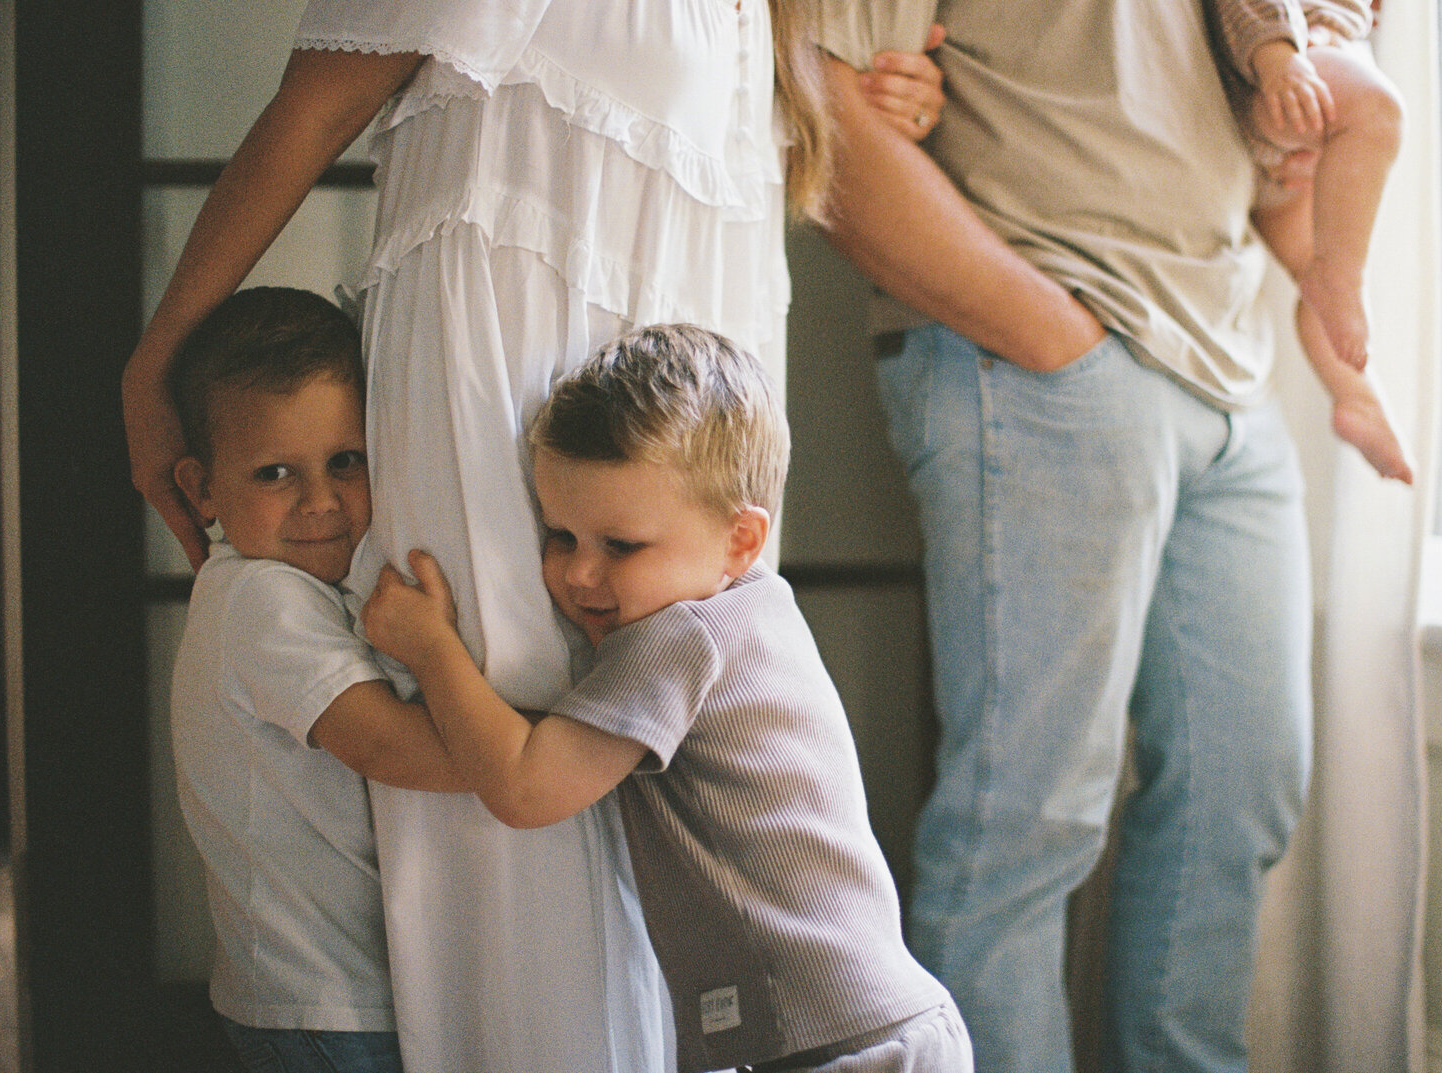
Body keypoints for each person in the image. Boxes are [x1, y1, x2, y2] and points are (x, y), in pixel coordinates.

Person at [121, 4, 949, 1069]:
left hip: (679, 379)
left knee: (641, 784)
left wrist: (883, 94)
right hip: (511, 328)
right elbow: (321, 96)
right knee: (529, 865)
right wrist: (160, 360)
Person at [816, 3, 1315, 1072]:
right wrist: (1056, 337)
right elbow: (821, 106)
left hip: (1227, 361)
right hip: (1056, 347)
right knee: (1022, 827)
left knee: (1245, 786)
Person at [360, 324, 973, 1073]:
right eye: (560, 535)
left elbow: (525, 783)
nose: (581, 573)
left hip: (842, 1046)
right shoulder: (753, 611)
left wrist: (431, 647)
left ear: (740, 542)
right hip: (866, 1028)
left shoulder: (680, 637)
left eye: (620, 546)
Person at [165, 287, 469, 1072]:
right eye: (274, 473)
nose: (321, 501)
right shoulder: (260, 598)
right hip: (324, 1005)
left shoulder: (281, 587)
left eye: (345, 461)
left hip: (313, 996)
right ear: (202, 490)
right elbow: (391, 747)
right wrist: (553, 746)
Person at [1210, 0, 1412, 483]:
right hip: (1278, 74)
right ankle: (1341, 280)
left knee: (1313, 275)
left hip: (1292, 92)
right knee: (1379, 112)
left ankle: (1356, 395)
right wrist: (1278, 60)